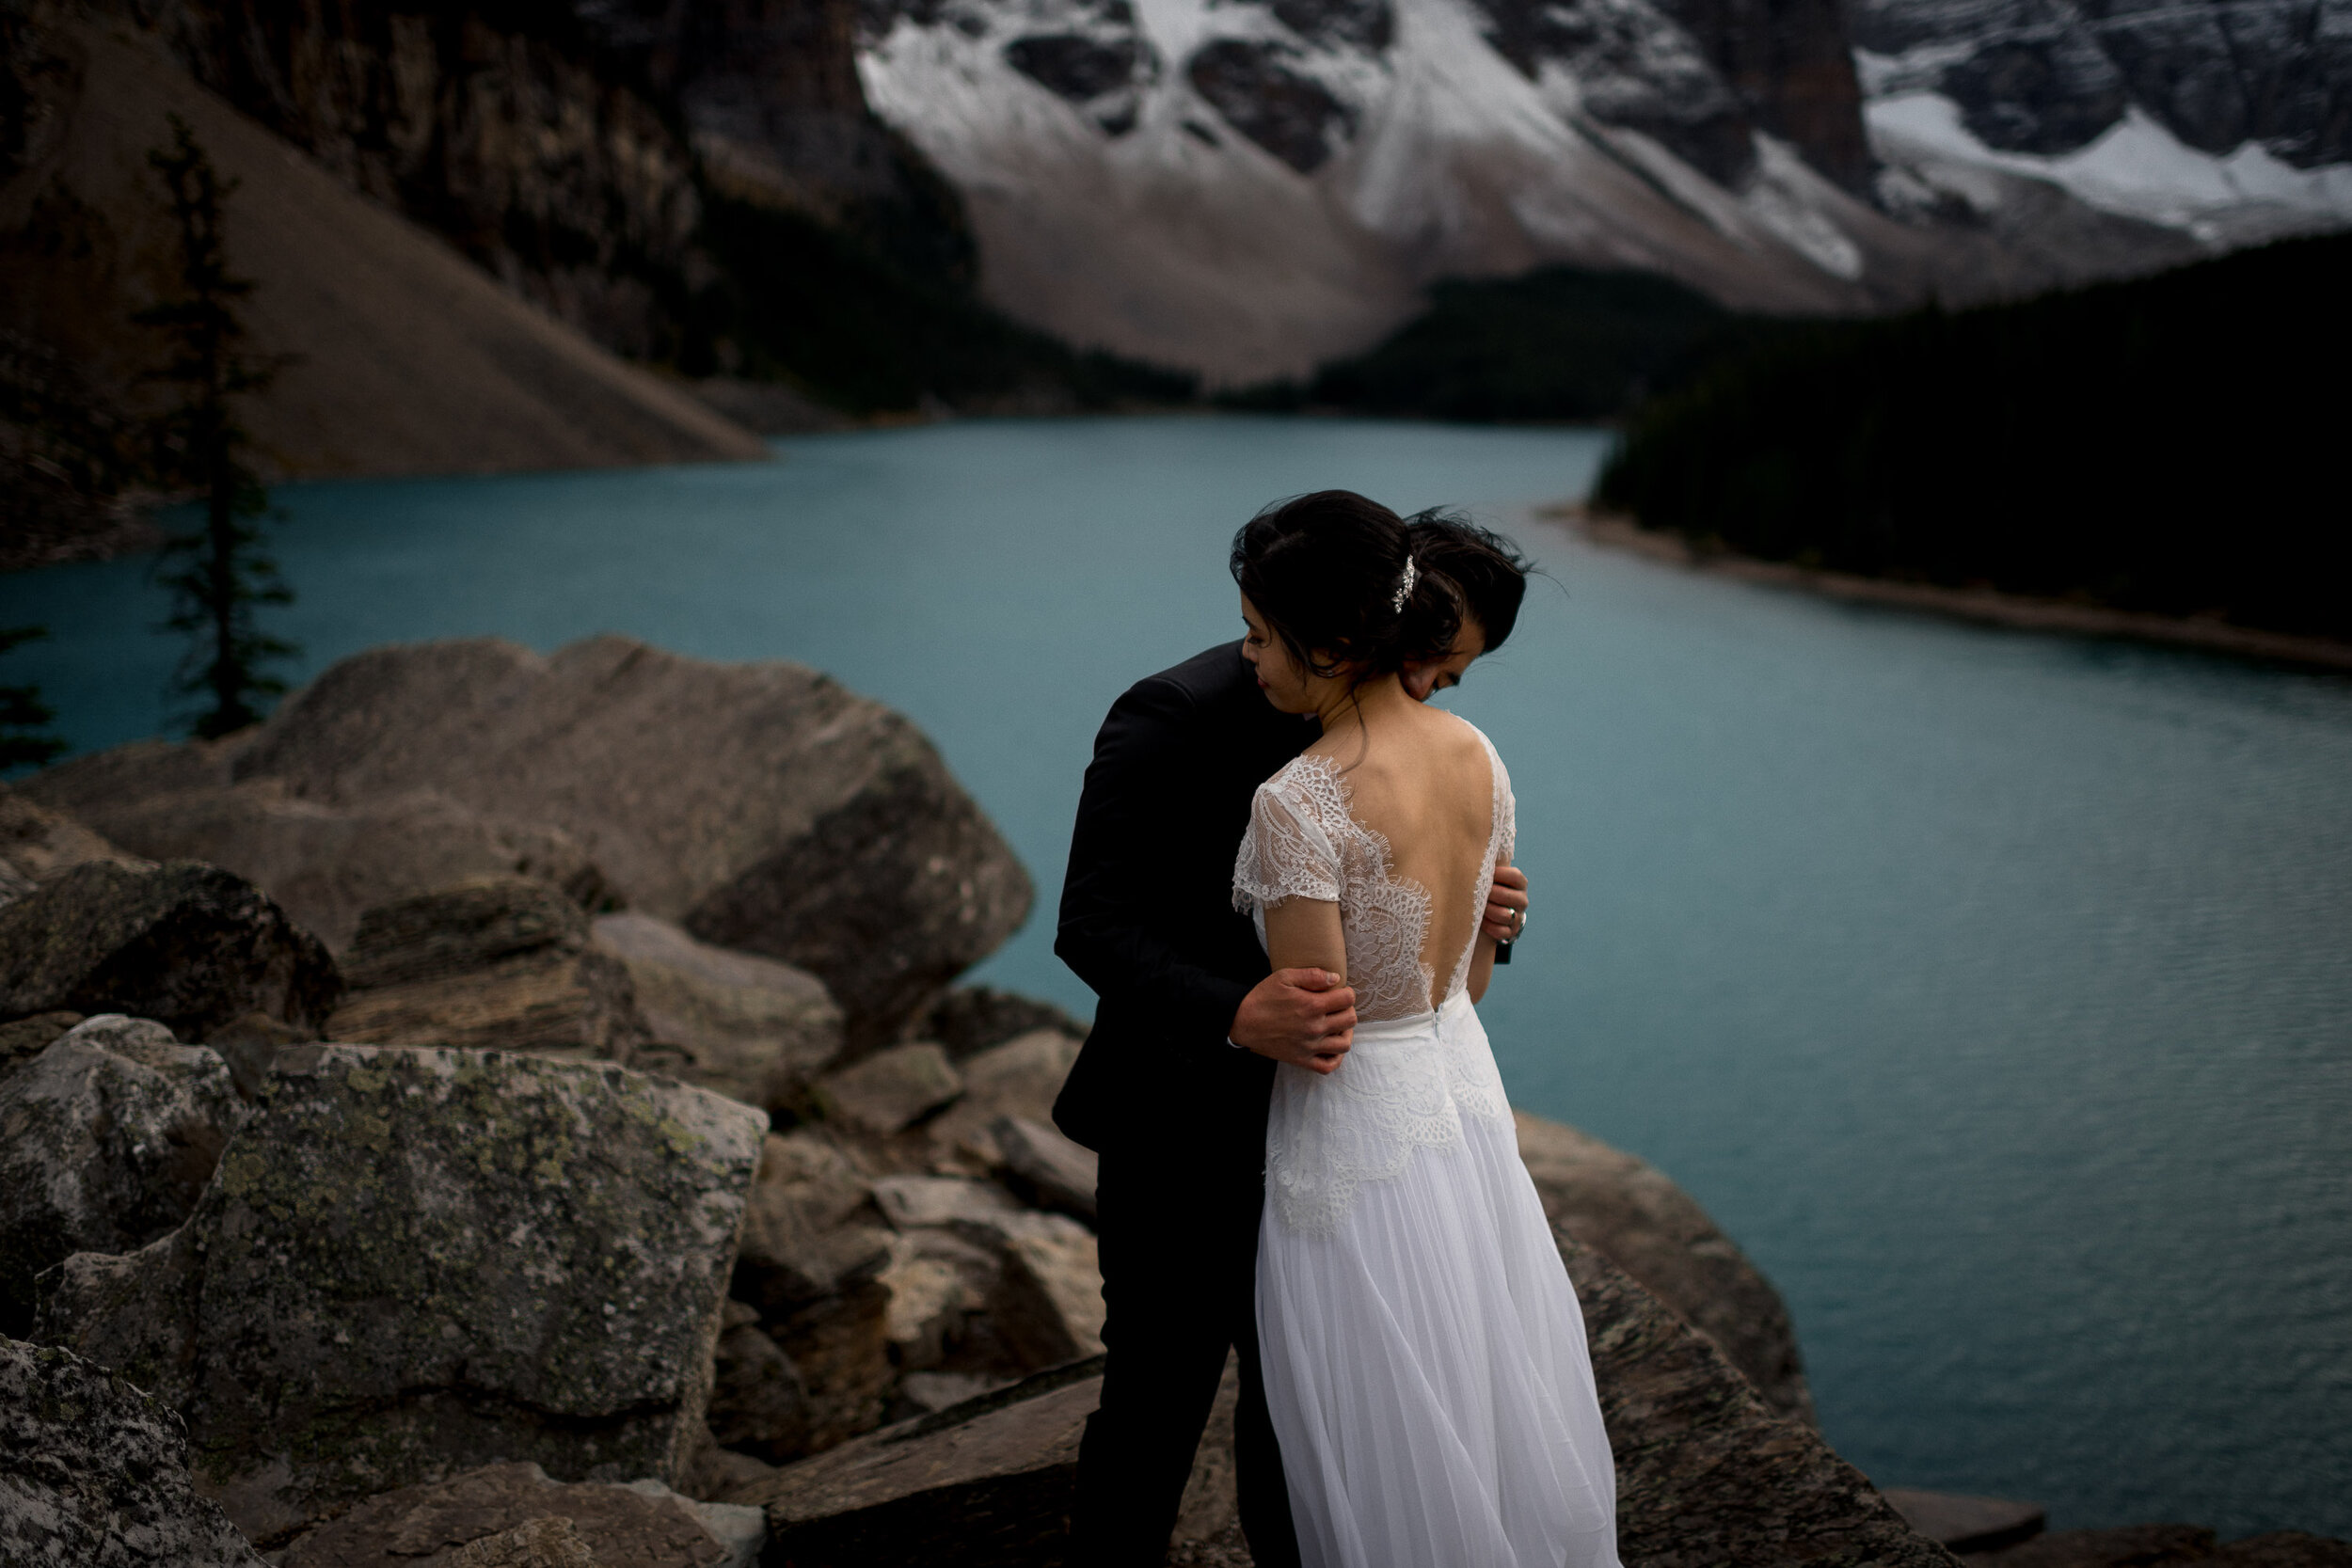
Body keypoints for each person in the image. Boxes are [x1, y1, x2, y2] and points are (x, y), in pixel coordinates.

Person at [1053, 506, 1535, 1568]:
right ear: (1365, 628)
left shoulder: (1422, 745)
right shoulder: (1173, 714)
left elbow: (1417, 924)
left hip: (1345, 1139)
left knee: (1307, 1424)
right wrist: (1232, 1009)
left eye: (1448, 680)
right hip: (1182, 1128)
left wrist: (1484, 908)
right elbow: (1091, 921)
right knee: (1153, 1408)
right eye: (1433, 665)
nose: (1430, 694)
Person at [1232, 492, 1620, 1568]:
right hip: (1460, 1099)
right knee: (1482, 1379)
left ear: (1331, 639)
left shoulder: (1298, 800)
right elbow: (1468, 989)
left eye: (1263, 635)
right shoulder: (1479, 755)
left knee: (1376, 1420)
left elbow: (1321, 1026)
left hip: (1352, 1135)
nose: (1250, 655)